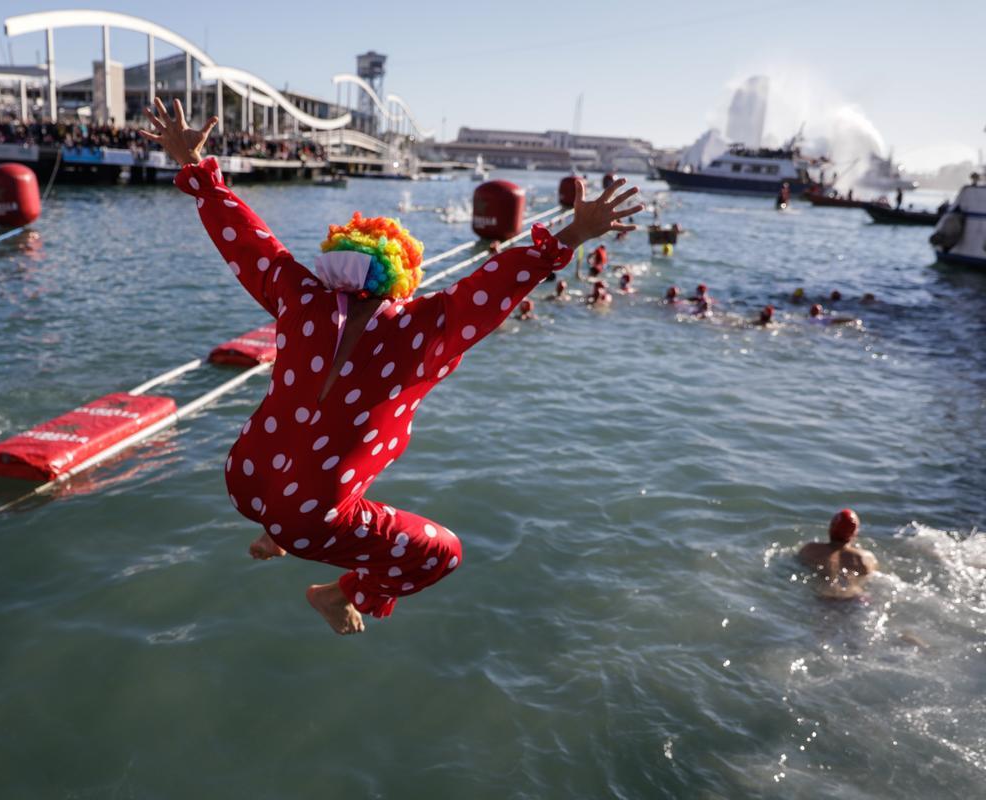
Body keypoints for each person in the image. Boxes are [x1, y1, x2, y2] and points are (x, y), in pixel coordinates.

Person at [141, 99, 642, 634]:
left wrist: (194, 166)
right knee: (439, 553)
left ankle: (276, 528)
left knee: (302, 468)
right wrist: (571, 235)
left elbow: (246, 242)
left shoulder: (300, 296)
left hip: (246, 474)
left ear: (337, 261)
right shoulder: (418, 331)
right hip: (310, 513)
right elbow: (494, 285)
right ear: (401, 279)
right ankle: (337, 593)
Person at [798, 509, 878, 599]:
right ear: (854, 533)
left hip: (823, 598)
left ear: (831, 528)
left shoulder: (810, 549)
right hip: (854, 598)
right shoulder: (865, 557)